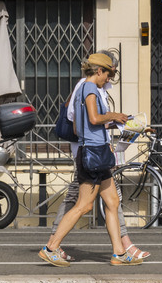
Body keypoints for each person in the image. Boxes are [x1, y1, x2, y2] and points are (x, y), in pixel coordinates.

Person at [39, 52, 151, 267]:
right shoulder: (89, 88)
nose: (108, 79)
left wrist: (131, 123)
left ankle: (119, 253)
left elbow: (89, 123)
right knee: (83, 205)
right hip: (92, 154)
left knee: (112, 201)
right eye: (107, 74)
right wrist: (113, 115)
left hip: (97, 151)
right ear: (99, 71)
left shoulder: (87, 89)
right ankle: (51, 247)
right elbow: (94, 118)